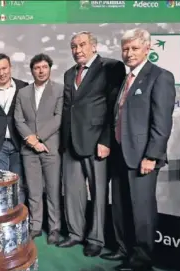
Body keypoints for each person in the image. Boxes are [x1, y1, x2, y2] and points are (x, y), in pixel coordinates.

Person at [106, 28, 176, 271]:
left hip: (142, 156)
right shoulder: (126, 78)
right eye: (125, 48)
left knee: (141, 208)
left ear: (148, 49)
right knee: (121, 205)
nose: (129, 53)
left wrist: (152, 155)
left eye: (134, 48)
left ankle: (142, 256)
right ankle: (124, 249)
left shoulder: (160, 77)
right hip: (120, 154)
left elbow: (162, 122)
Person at [58, 31, 126, 257]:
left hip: (97, 142)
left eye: (82, 45)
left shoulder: (111, 67)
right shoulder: (69, 74)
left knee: (98, 194)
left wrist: (106, 140)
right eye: (74, 46)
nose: (77, 50)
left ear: (94, 47)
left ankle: (96, 238)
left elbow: (113, 106)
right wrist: (63, 142)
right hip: (71, 143)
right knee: (73, 192)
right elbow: (69, 108)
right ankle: (76, 234)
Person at [14, 54, 63, 245]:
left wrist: (39, 138)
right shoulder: (23, 92)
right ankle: (35, 226)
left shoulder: (59, 89)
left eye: (44, 67)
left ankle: (55, 228)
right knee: (33, 191)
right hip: (29, 149)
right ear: (32, 70)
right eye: (37, 68)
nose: (41, 71)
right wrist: (32, 141)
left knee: (52, 190)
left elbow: (58, 118)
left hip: (50, 148)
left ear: (50, 68)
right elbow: (19, 120)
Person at [0, 53, 29, 203]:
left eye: (4, 68)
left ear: (10, 67)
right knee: (0, 186)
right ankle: (3, 221)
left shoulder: (24, 87)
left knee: (19, 185)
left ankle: (18, 222)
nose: (1, 73)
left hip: (19, 143)